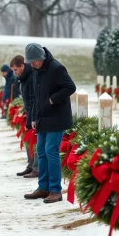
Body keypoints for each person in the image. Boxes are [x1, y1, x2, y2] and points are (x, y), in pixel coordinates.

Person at [23, 43, 76, 203]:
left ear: (42, 57)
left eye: (34, 61)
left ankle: (55, 190)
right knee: (41, 150)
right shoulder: (36, 70)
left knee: (51, 151)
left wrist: (53, 99)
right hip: (42, 117)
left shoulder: (56, 68)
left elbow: (70, 87)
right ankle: (43, 187)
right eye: (30, 62)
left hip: (57, 116)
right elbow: (35, 96)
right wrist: (33, 117)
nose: (32, 64)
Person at [10, 55, 38, 178]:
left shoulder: (31, 76)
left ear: (22, 65)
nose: (15, 73)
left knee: (35, 141)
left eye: (16, 70)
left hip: (34, 114)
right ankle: (31, 165)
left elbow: (33, 98)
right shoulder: (23, 76)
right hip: (29, 111)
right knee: (27, 139)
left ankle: (36, 168)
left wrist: (31, 118)